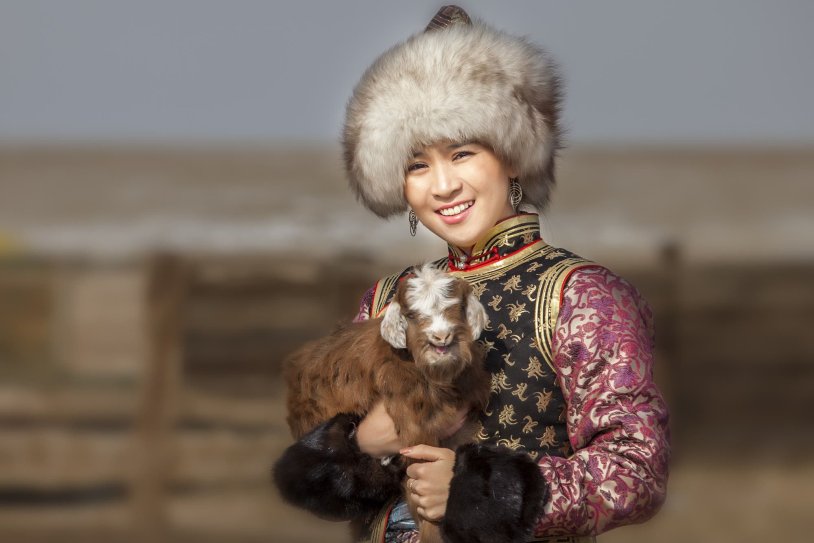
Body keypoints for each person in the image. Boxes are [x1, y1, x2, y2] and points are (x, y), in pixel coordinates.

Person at [274, 6, 669, 543]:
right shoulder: (389, 298)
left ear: (512, 157)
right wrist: (365, 443)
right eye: (417, 164)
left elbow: (637, 469)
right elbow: (316, 476)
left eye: (462, 153)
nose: (442, 186)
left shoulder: (581, 295)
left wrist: (474, 490)